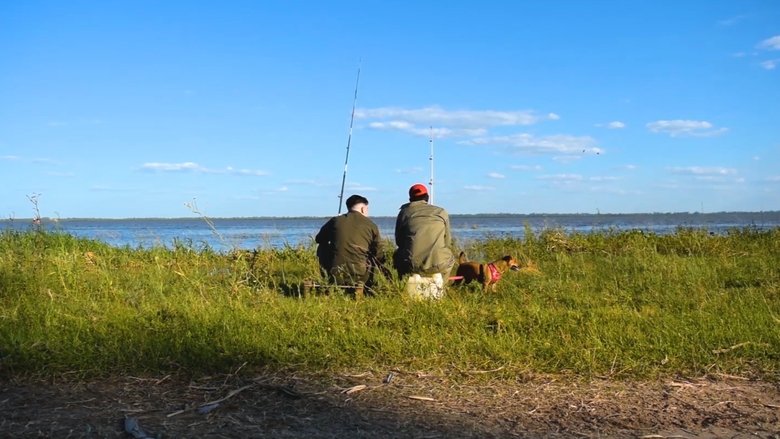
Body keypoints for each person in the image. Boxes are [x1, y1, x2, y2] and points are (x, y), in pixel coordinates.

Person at [315, 194, 384, 289]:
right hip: (361, 276)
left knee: (322, 246)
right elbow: (378, 252)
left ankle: (327, 277)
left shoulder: (335, 220)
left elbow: (319, 239)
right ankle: (368, 283)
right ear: (363, 209)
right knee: (373, 253)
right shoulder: (371, 225)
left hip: (335, 274)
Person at [393, 183, 455, 281]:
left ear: (410, 199)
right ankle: (442, 287)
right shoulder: (441, 212)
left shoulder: (404, 213)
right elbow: (447, 241)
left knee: (397, 255)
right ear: (427, 197)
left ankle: (403, 285)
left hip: (411, 265)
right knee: (450, 259)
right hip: (438, 264)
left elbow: (399, 241)